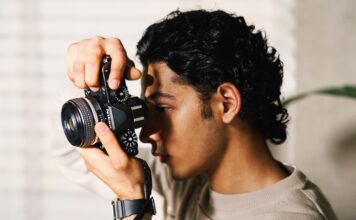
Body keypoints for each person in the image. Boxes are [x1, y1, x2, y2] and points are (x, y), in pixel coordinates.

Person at [60, 9, 337, 219]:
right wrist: (88, 74)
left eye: (164, 109)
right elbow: (66, 152)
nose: (146, 133)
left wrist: (133, 202)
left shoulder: (292, 216)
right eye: (147, 110)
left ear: (226, 103)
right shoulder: (185, 179)